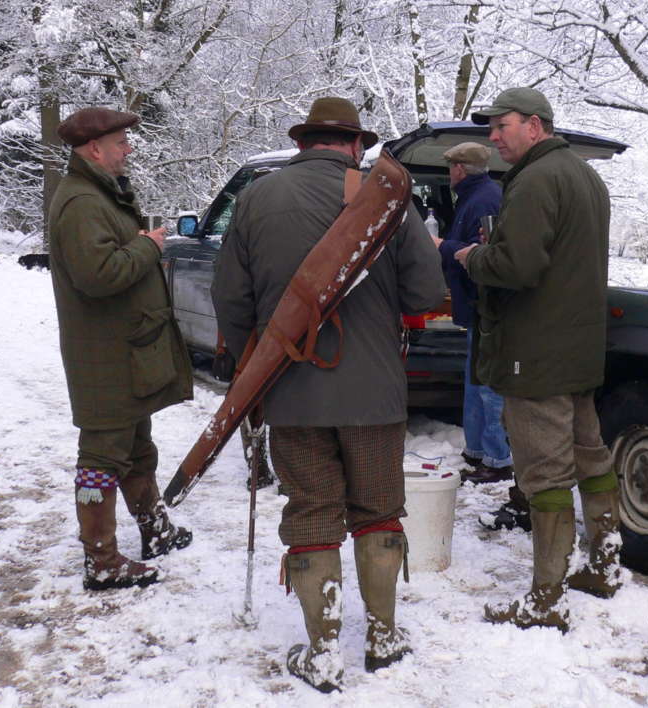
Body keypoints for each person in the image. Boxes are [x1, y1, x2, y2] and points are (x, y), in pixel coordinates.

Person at [211, 96, 444, 693]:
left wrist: (254, 364)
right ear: (355, 145)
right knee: (378, 509)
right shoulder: (387, 199)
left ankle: (322, 652)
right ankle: (384, 637)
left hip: (290, 392)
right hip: (373, 394)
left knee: (312, 512)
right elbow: (425, 295)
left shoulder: (257, 197)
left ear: (303, 142)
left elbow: (231, 299)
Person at [455, 86, 623, 633]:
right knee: (590, 454)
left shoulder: (535, 179)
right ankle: (604, 566)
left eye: (501, 126)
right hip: (577, 348)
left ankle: (547, 599)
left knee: (544, 472)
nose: (493, 138)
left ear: (534, 124)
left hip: (535, 352)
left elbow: (518, 265)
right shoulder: (584, 175)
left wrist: (473, 256)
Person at [48, 107, 195, 592]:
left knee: (136, 447)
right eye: (121, 143)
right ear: (95, 149)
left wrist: (136, 243)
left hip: (125, 352)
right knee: (100, 458)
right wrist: (149, 247)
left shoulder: (97, 195)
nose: (128, 149)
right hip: (104, 357)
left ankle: (155, 531)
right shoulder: (81, 202)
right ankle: (102, 560)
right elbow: (98, 275)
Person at [432, 142, 512, 485]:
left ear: (460, 169)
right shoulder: (474, 197)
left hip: (488, 308)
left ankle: (497, 459)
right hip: (476, 309)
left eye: (451, 167)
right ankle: (477, 451)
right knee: (474, 381)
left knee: (488, 385)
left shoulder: (483, 199)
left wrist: (441, 247)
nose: (450, 173)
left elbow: (481, 254)